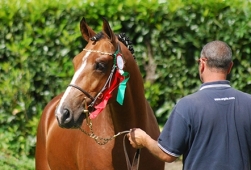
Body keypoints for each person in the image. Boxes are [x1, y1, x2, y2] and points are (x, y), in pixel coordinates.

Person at [127, 40, 251, 170]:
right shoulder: (248, 102)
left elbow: (167, 155)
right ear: (230, 67)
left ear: (202, 63)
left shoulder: (187, 105)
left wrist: (144, 139)